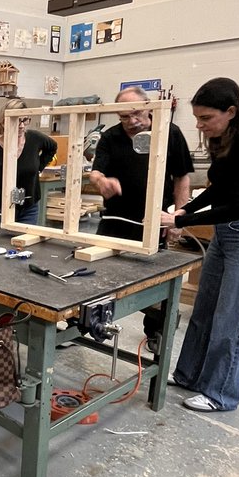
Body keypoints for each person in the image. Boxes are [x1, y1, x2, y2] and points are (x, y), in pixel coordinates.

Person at [161, 78, 239, 413]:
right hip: (228, 233)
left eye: (206, 118)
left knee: (231, 318)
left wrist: (180, 222)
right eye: (197, 118)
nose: (200, 125)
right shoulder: (222, 139)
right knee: (204, 309)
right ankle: (189, 375)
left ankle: (220, 393)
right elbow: (218, 189)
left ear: (231, 111)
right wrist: (187, 209)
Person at [88, 86, 194, 352]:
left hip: (154, 222)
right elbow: (95, 172)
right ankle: (88, 324)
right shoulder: (111, 137)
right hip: (114, 220)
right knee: (95, 277)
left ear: (149, 106)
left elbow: (182, 177)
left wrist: (178, 217)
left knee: (154, 284)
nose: (132, 121)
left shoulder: (170, 132)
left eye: (136, 113)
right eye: (124, 117)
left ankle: (156, 332)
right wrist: (102, 181)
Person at [0, 99, 56, 226]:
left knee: (24, 243)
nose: (22, 126)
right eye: (17, 120)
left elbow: (52, 147)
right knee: (1, 243)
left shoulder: (35, 139)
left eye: (25, 120)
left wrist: (38, 166)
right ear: (4, 121)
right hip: (0, 208)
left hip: (29, 208)